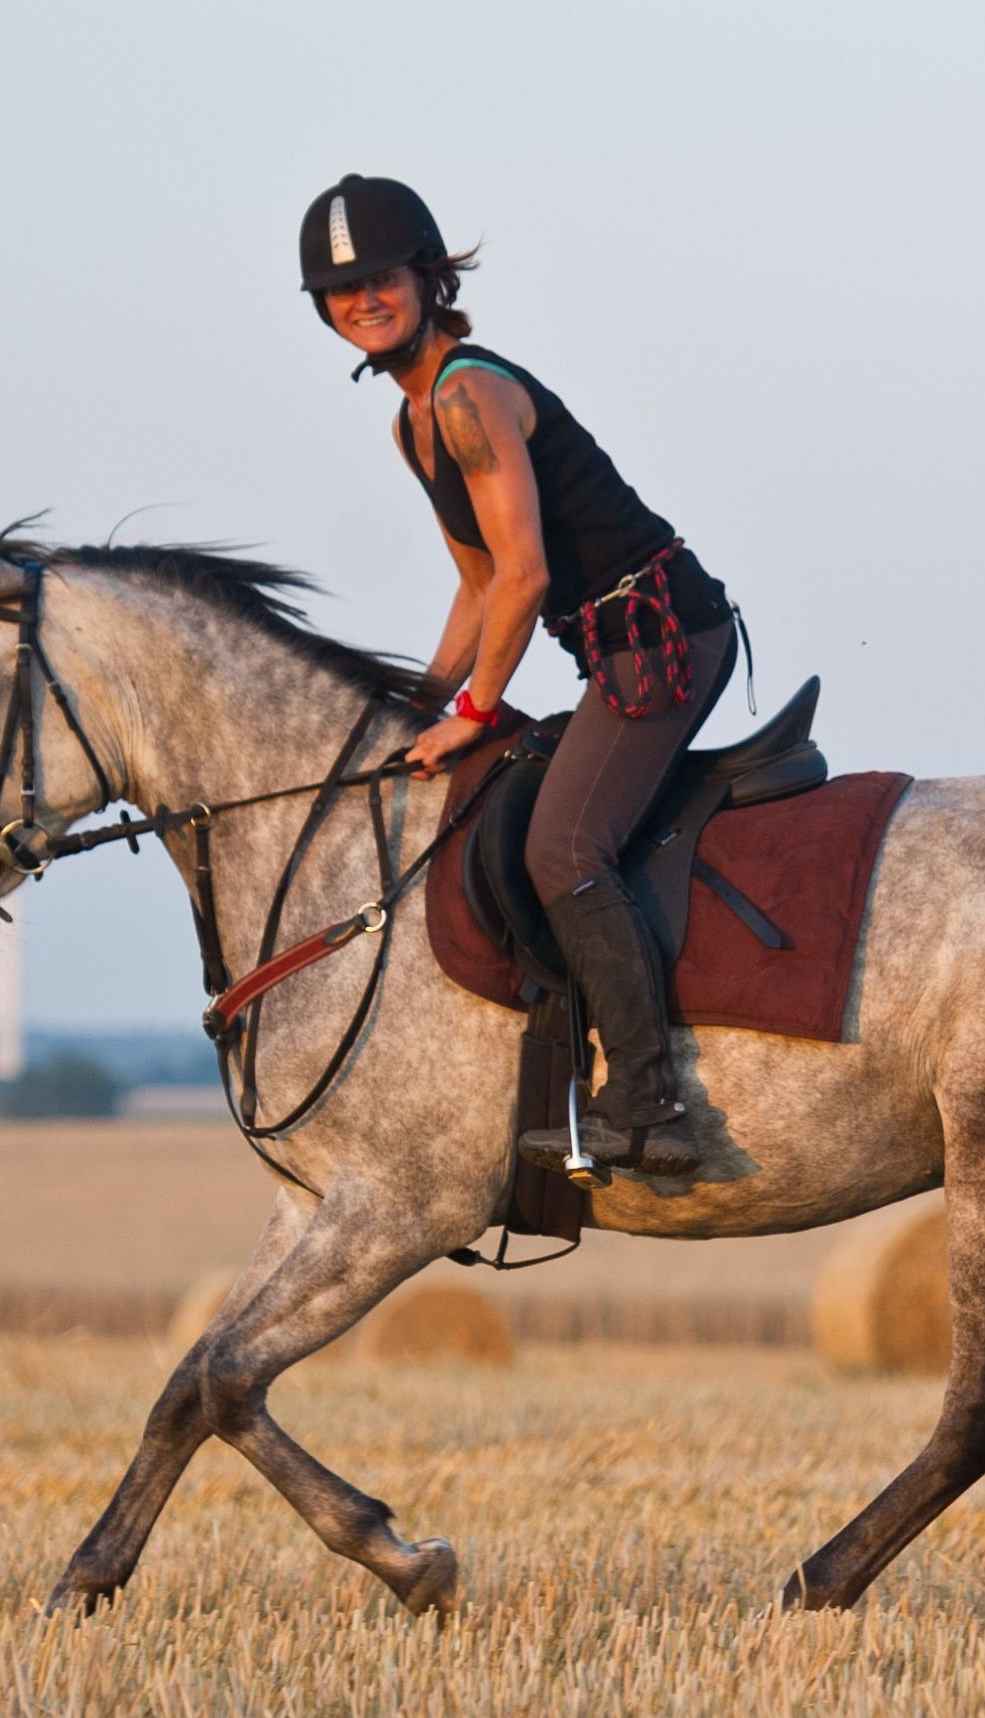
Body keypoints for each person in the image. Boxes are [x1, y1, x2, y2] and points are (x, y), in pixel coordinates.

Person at [300, 173, 737, 1178]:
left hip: (665, 636)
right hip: (610, 648)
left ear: (426, 275)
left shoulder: (466, 396)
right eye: (339, 289)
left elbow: (530, 576)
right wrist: (414, 705)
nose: (361, 300)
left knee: (563, 844)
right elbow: (478, 582)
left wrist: (477, 708)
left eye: (379, 278)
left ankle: (649, 1103)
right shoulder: (413, 423)